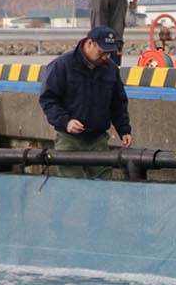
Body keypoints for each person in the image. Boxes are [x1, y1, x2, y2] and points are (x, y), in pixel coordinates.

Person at [38, 24, 133, 179]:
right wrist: (66, 122)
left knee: (103, 184)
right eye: (102, 52)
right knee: (73, 185)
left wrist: (124, 130)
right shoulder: (62, 65)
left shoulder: (110, 68)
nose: (105, 57)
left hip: (98, 139)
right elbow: (48, 99)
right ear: (89, 43)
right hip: (69, 139)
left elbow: (118, 102)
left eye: (108, 53)